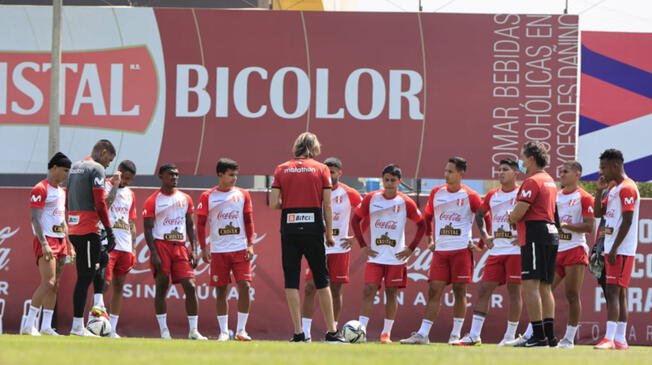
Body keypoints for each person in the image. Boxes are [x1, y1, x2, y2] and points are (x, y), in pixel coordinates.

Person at [269, 132, 345, 343]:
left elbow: (273, 202)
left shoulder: (281, 168)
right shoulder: (321, 169)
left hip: (290, 230)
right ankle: (331, 332)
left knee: (291, 282)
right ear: (315, 147)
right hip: (313, 230)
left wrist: (291, 204)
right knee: (322, 281)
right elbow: (327, 205)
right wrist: (329, 233)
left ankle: (298, 333)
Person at [401, 157, 483, 345]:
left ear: (461, 174)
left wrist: (481, 242)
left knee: (460, 291)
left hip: (461, 250)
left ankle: (455, 334)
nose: (446, 174)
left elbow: (484, 217)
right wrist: (430, 239)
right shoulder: (436, 192)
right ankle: (423, 334)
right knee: (434, 290)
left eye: (450, 171)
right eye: (445, 171)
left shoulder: (470, 195)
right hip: (441, 251)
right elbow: (427, 217)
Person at [350, 164, 425, 343]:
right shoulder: (371, 198)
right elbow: (355, 220)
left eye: (393, 180)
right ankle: (361, 331)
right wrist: (362, 245)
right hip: (375, 256)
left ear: (400, 181)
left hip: (396, 257)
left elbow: (422, 224)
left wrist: (410, 248)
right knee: (369, 290)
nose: (389, 184)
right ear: (382, 180)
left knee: (391, 293)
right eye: (386, 180)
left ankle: (386, 334)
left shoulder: (405, 202)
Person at [454, 158, 521, 346]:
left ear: (516, 173)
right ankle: (474, 335)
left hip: (516, 251)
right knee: (484, 289)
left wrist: (523, 237)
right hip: (497, 250)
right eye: (500, 169)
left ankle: (510, 336)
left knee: (514, 292)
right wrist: (485, 236)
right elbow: (479, 215)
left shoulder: (522, 193)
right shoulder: (493, 194)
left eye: (506, 170)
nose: (501, 173)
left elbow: (532, 216)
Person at [142, 164, 206, 340]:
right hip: (161, 245)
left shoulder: (185, 198)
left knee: (190, 286)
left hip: (180, 247)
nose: (175, 177)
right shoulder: (152, 200)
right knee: (162, 288)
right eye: (171, 174)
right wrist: (153, 253)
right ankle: (164, 331)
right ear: (161, 176)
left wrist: (194, 248)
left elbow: (190, 225)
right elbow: (147, 229)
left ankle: (194, 330)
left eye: (177, 175)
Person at [302, 157, 362, 341]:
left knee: (335, 290)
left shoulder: (349, 193)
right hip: (317, 247)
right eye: (327, 171)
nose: (329, 175)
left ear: (340, 173)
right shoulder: (314, 191)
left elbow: (365, 213)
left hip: (339, 249)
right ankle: (304, 333)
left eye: (333, 172)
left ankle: (333, 332)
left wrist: (355, 237)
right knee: (310, 288)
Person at [507, 141, 559, 348]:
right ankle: (550, 337)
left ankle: (538, 336)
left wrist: (511, 216)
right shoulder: (550, 180)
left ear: (530, 159)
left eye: (522, 157)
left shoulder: (533, 181)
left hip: (535, 234)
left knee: (530, 285)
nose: (520, 161)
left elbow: (519, 213)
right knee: (546, 287)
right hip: (549, 233)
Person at [197, 158, 256, 341]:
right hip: (219, 251)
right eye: (231, 175)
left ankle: (241, 330)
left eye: (236, 175)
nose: (234, 178)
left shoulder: (243, 194)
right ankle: (223, 331)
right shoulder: (208, 196)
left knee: (245, 286)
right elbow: (200, 224)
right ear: (220, 175)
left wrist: (250, 244)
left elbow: (248, 221)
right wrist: (203, 247)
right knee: (221, 291)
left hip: (239, 249)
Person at [66, 140, 116, 336]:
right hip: (87, 230)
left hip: (75, 227)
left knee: (101, 258)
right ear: (103, 153)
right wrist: (110, 230)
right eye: (109, 160)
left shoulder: (75, 167)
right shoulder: (96, 169)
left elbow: (68, 196)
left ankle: (98, 305)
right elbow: (100, 202)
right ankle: (77, 326)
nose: (108, 165)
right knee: (84, 277)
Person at [593, 149, 639, 350]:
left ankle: (609, 338)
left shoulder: (627, 188)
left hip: (621, 250)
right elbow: (598, 213)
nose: (601, 171)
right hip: (612, 247)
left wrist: (614, 249)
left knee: (613, 292)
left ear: (615, 165)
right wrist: (598, 190)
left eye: (604, 167)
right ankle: (620, 339)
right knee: (619, 294)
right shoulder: (613, 188)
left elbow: (628, 221)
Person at [22, 152, 73, 336]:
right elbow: (35, 219)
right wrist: (43, 243)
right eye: (65, 170)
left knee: (56, 284)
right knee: (47, 282)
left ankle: (45, 326)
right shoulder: (40, 188)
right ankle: (29, 324)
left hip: (60, 239)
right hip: (46, 239)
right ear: (54, 168)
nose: (66, 174)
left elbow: (62, 219)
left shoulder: (61, 192)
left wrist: (69, 243)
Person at [553, 161, 595, 348]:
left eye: (565, 171)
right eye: (560, 172)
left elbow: (589, 226)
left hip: (574, 249)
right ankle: (535, 333)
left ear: (577, 174)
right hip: (555, 250)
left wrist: (566, 226)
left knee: (572, 294)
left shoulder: (584, 197)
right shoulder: (555, 196)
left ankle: (569, 338)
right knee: (543, 290)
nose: (561, 174)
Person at [101, 160, 138, 338]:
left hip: (125, 245)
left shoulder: (131, 194)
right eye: (125, 177)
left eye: (130, 179)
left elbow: (131, 222)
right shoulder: (105, 186)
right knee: (104, 283)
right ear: (118, 172)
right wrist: (115, 186)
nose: (126, 182)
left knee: (119, 286)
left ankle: (112, 329)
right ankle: (96, 323)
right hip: (108, 243)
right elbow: (105, 206)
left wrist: (134, 248)